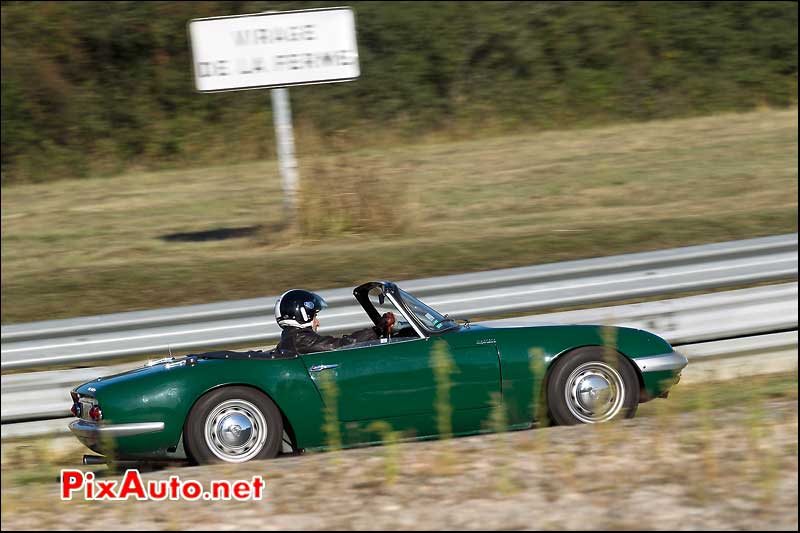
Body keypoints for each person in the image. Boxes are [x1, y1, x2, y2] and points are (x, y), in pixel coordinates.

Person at [274, 289, 395, 355]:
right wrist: (377, 329)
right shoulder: (301, 339)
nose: (317, 323)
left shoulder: (293, 338)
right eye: (315, 316)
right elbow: (341, 345)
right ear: (302, 315)